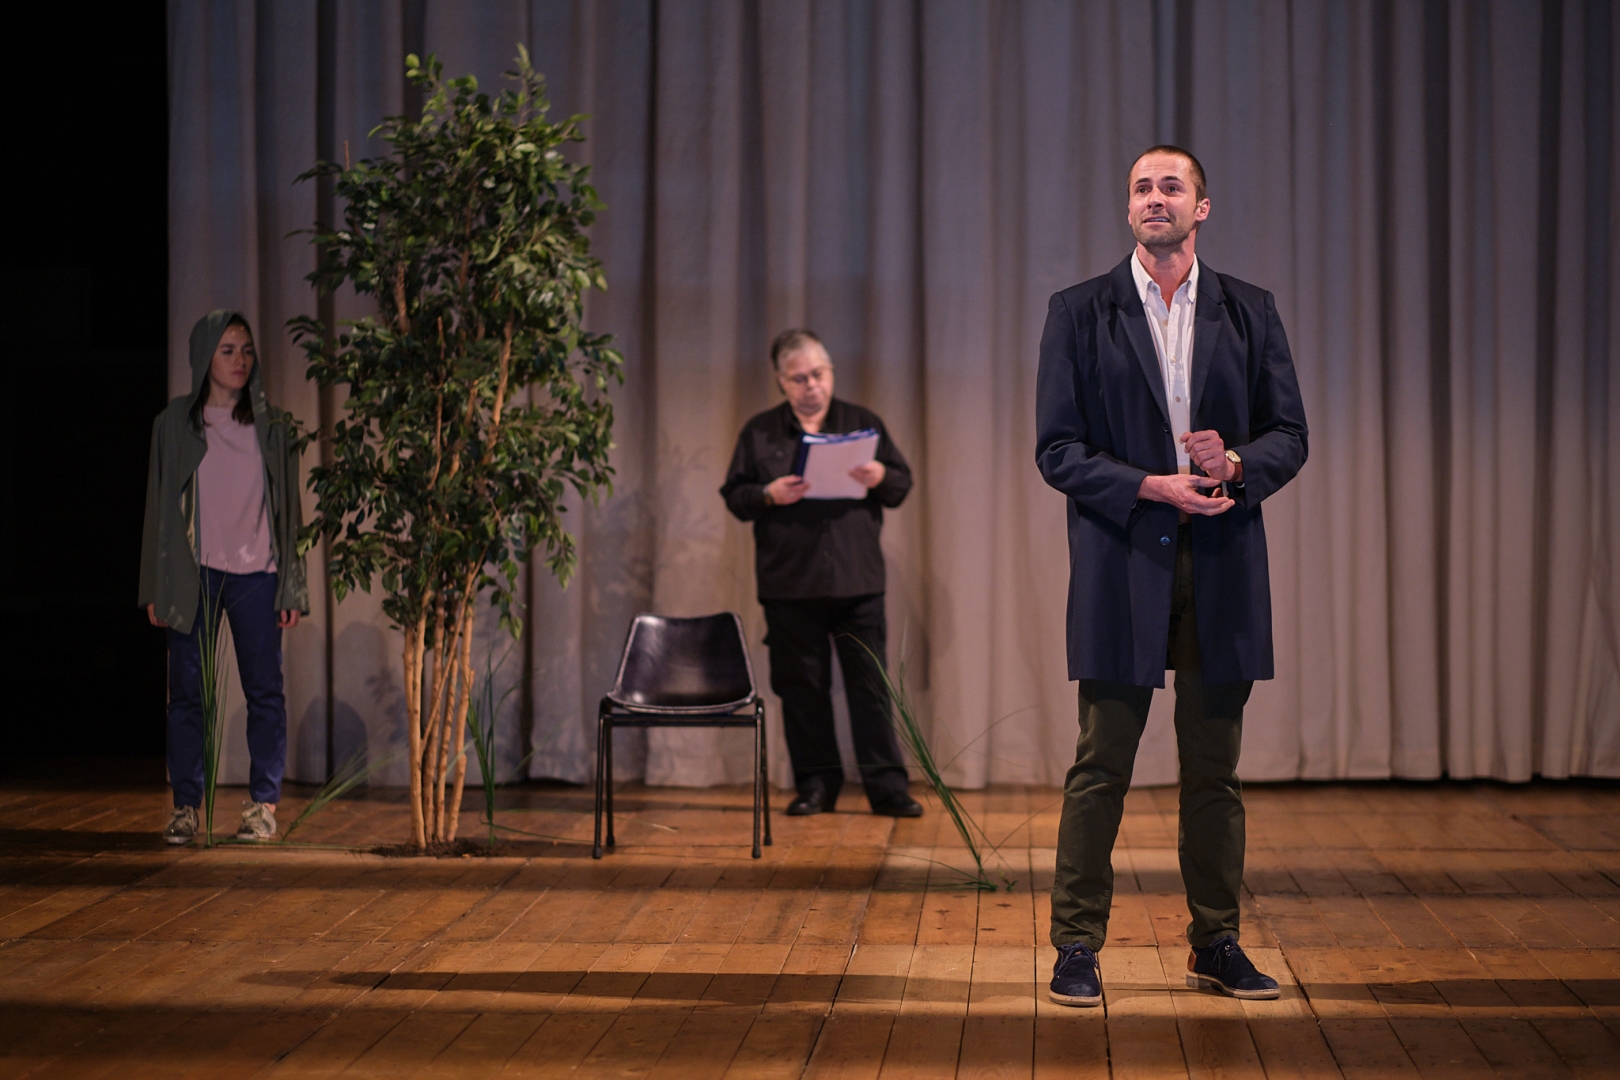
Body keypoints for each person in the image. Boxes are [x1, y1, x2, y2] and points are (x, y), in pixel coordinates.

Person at [1034, 147, 1308, 1005]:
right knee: (1101, 766)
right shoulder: (1080, 311)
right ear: (1129, 209)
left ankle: (1216, 941)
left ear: (1202, 207)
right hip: (1124, 562)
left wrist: (1234, 464)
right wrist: (1150, 485)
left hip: (1221, 564)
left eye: (1171, 187)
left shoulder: (1249, 309)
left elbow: (1289, 435)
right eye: (1142, 188)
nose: (1156, 198)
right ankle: (1076, 945)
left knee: (1214, 773)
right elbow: (1057, 449)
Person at [721, 329, 923, 818]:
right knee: (803, 691)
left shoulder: (862, 423)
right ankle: (815, 787)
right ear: (781, 381)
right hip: (790, 585)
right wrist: (768, 493)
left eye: (819, 374)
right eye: (799, 378)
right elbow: (736, 496)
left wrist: (880, 476)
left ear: (830, 373)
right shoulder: (760, 432)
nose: (811, 385)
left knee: (871, 690)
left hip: (857, 583)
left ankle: (887, 789)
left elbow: (900, 484)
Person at [139, 310, 308, 844]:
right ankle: (186, 805)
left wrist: (292, 584)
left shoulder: (274, 427)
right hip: (195, 575)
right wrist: (155, 585)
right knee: (186, 692)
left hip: (257, 574)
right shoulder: (174, 424)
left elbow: (290, 512)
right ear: (204, 356)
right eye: (228, 350)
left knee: (265, 691)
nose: (240, 360)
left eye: (247, 350)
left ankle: (263, 804)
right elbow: (159, 510)